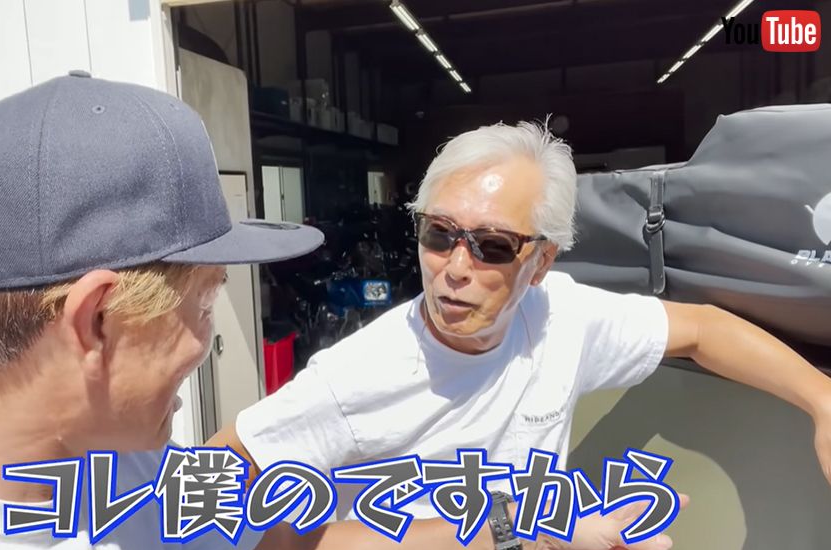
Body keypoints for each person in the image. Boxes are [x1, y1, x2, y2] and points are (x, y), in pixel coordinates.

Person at [0, 75, 686, 550]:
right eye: (206, 303)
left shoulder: (121, 470)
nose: (210, 344)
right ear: (94, 321)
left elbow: (301, 547)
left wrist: (521, 535)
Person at [211, 121, 831, 528]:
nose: (456, 269)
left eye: (493, 246)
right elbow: (210, 484)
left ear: (541, 262)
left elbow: (702, 328)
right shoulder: (354, 377)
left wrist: (822, 401)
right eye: (439, 235)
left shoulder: (563, 317)